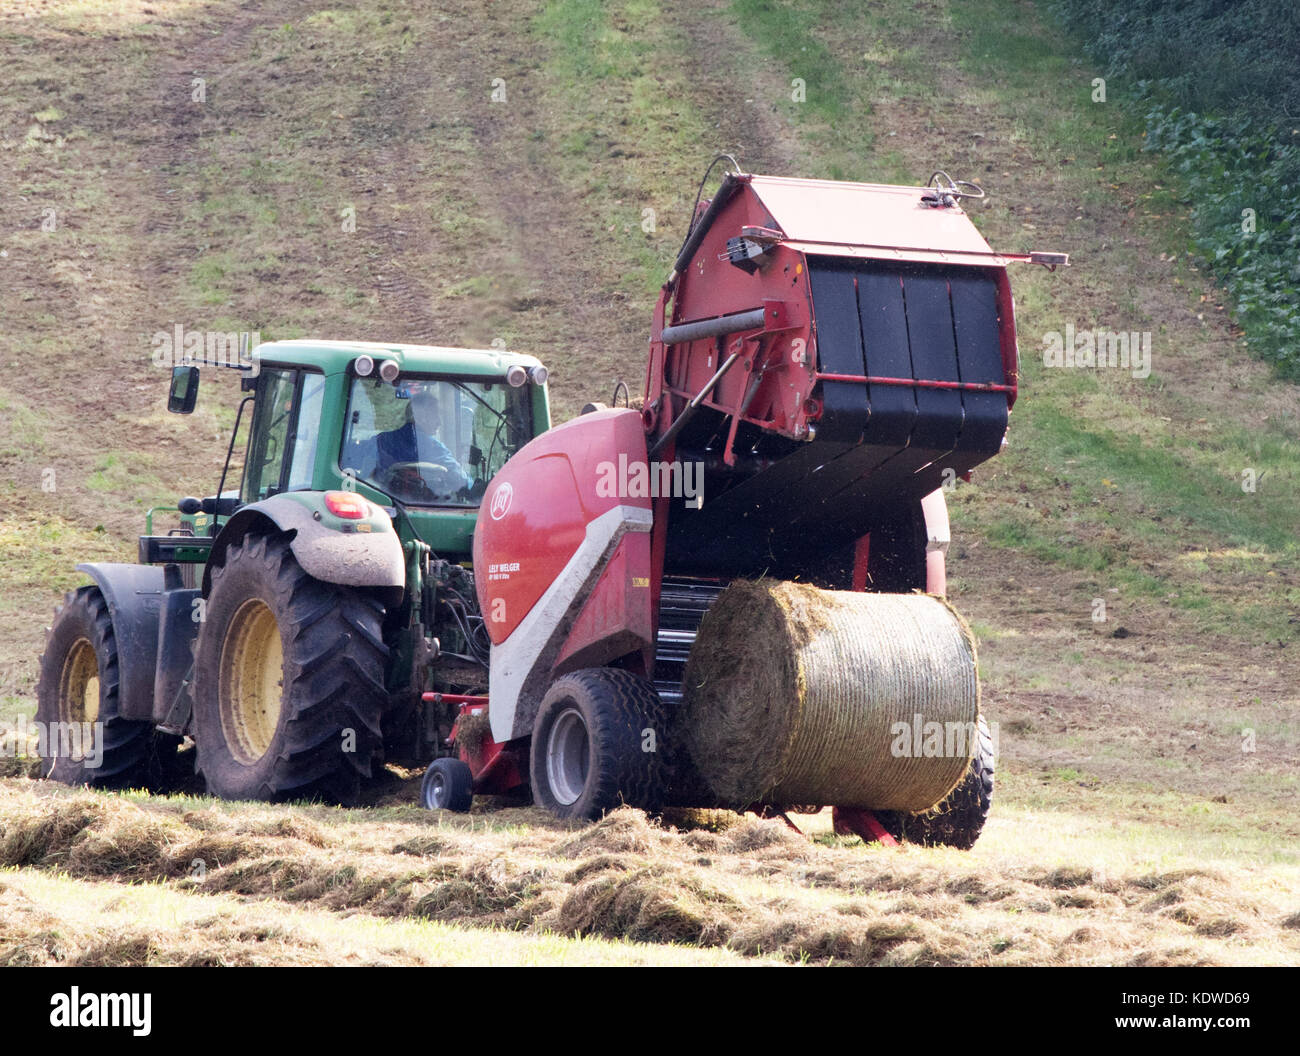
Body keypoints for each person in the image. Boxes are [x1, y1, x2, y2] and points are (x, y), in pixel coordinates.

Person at [374, 389, 470, 498]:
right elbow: (461, 481)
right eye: (435, 415)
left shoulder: (381, 440)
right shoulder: (435, 449)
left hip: (382, 501)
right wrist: (474, 486)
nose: (439, 422)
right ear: (421, 417)